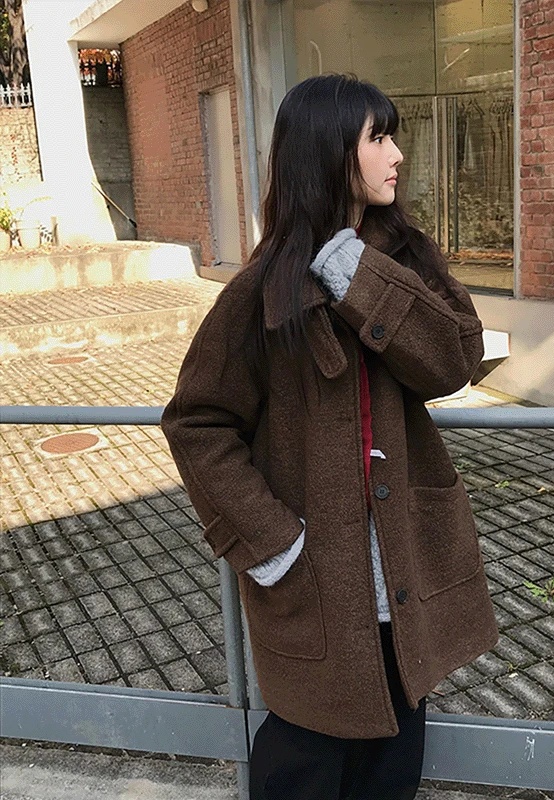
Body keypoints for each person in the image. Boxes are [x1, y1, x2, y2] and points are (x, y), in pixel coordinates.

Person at [161, 73, 499, 800]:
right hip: (315, 585)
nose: (397, 155)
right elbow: (197, 422)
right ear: (328, 150)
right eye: (379, 137)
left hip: (406, 572)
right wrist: (273, 543)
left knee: (396, 754)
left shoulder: (406, 258)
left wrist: (355, 274)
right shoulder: (260, 292)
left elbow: (455, 359)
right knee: (305, 758)